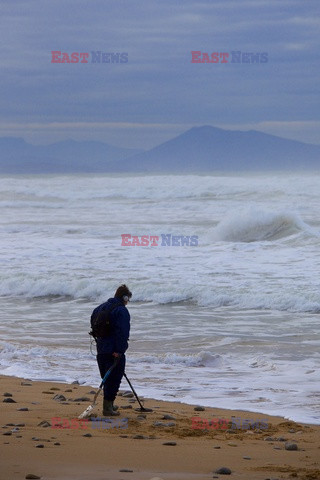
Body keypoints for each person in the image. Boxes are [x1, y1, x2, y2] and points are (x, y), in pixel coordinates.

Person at [91, 284, 132, 416]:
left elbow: (93, 325)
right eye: (128, 299)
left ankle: (109, 405)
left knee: (106, 378)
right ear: (124, 297)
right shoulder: (122, 311)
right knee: (115, 378)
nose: (127, 302)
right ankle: (107, 408)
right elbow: (123, 333)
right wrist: (119, 350)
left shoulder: (99, 308)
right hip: (114, 350)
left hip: (101, 348)